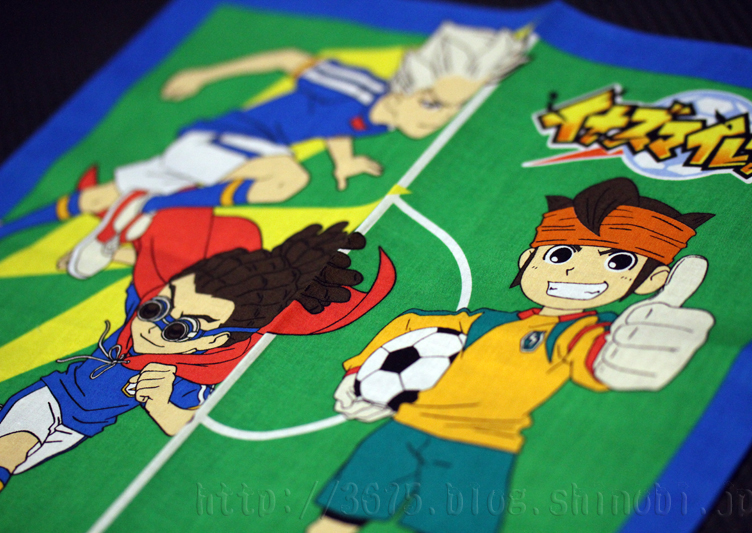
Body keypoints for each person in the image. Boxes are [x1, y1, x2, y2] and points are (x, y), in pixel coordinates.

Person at [306, 178, 715, 533]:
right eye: (560, 255)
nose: (574, 271)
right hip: (404, 428)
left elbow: (597, 358)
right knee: (338, 517)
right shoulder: (488, 321)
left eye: (617, 261)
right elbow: (410, 323)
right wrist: (359, 373)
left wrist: (629, 358)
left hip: (479, 449)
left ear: (652, 280)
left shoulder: (578, 331)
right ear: (528, 259)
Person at [0, 22, 532, 280]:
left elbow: (334, 122)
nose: (437, 118)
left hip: (221, 150)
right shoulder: (358, 85)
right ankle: (146, 209)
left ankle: (20, 226)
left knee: (99, 194)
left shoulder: (376, 114)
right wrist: (204, 73)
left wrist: (343, 159)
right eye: (434, 103)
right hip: (227, 140)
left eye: (449, 109)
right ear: (408, 86)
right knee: (288, 178)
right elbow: (287, 56)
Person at [0, 207, 395, 493]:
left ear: (215, 340)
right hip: (51, 397)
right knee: (12, 447)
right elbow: (149, 262)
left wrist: (160, 404)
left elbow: (185, 427)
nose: (152, 326)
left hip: (80, 428)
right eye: (157, 307)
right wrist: (104, 253)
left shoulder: (195, 374)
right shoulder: (143, 303)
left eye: (178, 330)